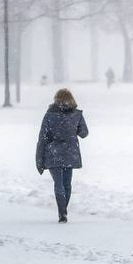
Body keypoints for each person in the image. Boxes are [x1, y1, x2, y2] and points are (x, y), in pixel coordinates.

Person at [35, 88, 89, 223]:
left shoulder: (49, 115)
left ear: (56, 100)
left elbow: (42, 138)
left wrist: (39, 159)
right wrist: (73, 128)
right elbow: (84, 133)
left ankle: (62, 212)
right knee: (67, 184)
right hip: (69, 153)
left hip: (53, 154)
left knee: (58, 184)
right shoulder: (76, 115)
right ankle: (63, 211)